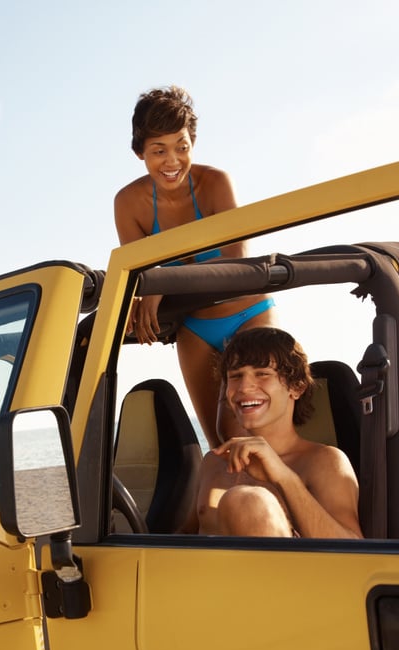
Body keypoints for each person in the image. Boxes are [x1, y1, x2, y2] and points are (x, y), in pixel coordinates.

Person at [113, 85, 277, 448]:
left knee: (252, 433)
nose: (172, 161)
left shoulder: (216, 184)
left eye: (181, 147)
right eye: (159, 151)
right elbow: (138, 273)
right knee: (220, 441)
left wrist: (160, 283)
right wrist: (149, 287)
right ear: (140, 151)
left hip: (248, 312)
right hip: (196, 329)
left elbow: (236, 269)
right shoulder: (129, 203)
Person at [182, 327, 361, 539]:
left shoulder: (325, 462)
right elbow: (185, 534)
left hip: (284, 572)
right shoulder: (213, 461)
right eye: (236, 376)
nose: (244, 387)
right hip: (203, 571)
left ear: (297, 387)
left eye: (262, 374)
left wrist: (283, 477)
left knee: (247, 502)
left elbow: (357, 552)